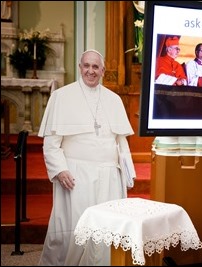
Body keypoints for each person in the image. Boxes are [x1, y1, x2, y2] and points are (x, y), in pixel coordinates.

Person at [37, 49, 136, 266]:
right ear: (80, 67)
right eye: (86, 66)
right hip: (75, 175)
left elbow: (121, 142)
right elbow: (52, 143)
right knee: (72, 228)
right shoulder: (61, 97)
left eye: (95, 67)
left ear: (102, 71)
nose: (90, 71)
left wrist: (127, 173)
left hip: (109, 175)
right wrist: (60, 169)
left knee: (106, 228)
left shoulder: (114, 99)